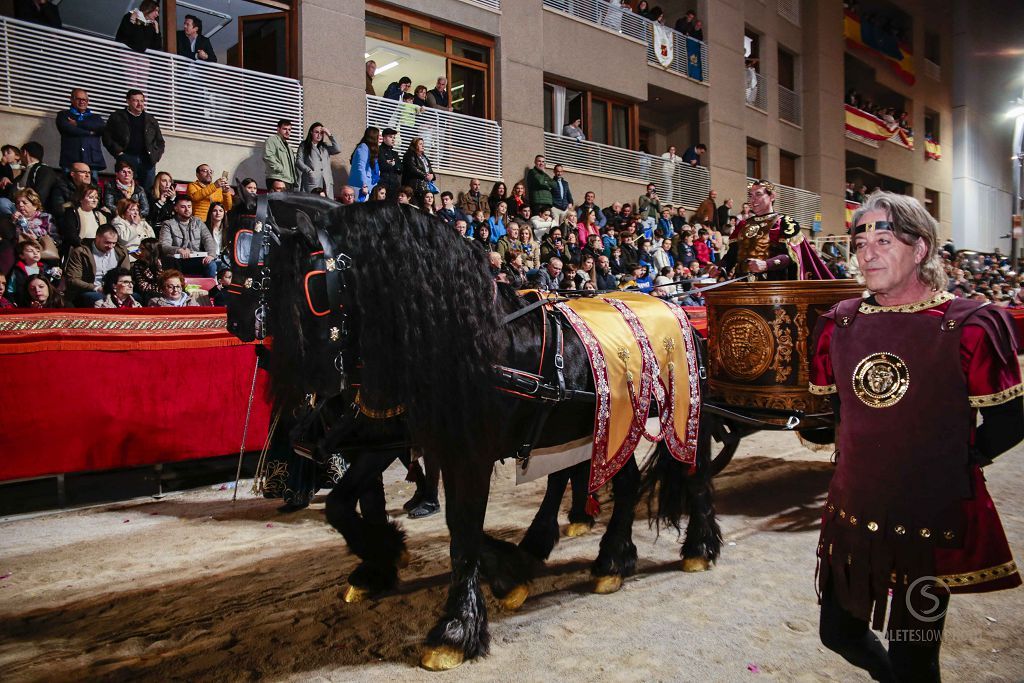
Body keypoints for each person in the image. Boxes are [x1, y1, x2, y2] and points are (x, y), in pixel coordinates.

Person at [810, 191, 1024, 683]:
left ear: (921, 249)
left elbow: (1011, 423)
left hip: (923, 528)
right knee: (838, 634)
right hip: (852, 516)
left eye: (884, 239)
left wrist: (949, 464)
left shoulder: (969, 326)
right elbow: (838, 414)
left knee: (913, 659)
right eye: (860, 241)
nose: (868, 253)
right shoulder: (840, 323)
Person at [718, 180, 833, 280]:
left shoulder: (784, 223)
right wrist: (719, 267)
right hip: (741, 287)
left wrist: (767, 264)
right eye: (751, 195)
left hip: (773, 287)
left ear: (772, 196)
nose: (753, 200)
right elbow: (732, 255)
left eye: (758, 194)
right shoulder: (742, 225)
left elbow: (792, 258)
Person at [102, 89, 165, 189]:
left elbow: (160, 142)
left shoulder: (150, 119)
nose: (139, 104)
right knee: (125, 188)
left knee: (148, 190)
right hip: (126, 158)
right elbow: (107, 136)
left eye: (142, 101)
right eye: (136, 100)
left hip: (147, 161)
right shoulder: (117, 117)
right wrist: (118, 152)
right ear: (128, 101)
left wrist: (155, 156)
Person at [64, 224, 130, 306]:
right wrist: (95, 288)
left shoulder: (121, 251)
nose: (111, 246)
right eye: (107, 242)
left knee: (136, 297)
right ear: (97, 237)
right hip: (89, 291)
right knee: (100, 299)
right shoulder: (81, 252)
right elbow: (72, 279)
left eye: (114, 243)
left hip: (115, 290)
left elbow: (126, 274)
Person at [158, 195, 217, 277]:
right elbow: (163, 246)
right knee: (171, 262)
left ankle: (211, 289)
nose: (187, 210)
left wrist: (211, 255)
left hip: (197, 259)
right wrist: (178, 250)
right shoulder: (168, 224)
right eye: (183, 207)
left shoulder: (198, 222)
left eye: (189, 206)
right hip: (178, 261)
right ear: (176, 208)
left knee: (211, 264)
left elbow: (208, 239)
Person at [55, 89, 105, 179]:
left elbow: (102, 129)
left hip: (91, 161)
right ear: (71, 99)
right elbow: (69, 129)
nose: (82, 102)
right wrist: (90, 132)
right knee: (67, 189)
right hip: (70, 160)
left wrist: (78, 124)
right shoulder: (63, 115)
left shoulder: (96, 118)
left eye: (84, 99)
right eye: (78, 99)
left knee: (92, 190)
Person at [6, 238, 60, 302]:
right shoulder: (18, 271)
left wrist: (57, 277)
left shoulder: (44, 269)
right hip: (24, 302)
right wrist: (13, 301)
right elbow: (10, 290)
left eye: (38, 251)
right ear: (21, 256)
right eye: (30, 251)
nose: (35, 253)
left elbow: (51, 286)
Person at [296, 122, 341, 197]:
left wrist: (329, 134)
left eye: (321, 133)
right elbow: (298, 161)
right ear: (311, 132)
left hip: (326, 181)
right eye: (316, 132)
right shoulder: (304, 145)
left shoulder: (325, 146)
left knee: (327, 205)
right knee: (312, 204)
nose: (319, 135)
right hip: (312, 180)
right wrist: (309, 171)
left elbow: (338, 149)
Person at [14, 142, 59, 215]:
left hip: (32, 210)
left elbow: (41, 196)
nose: (19, 159)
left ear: (25, 152)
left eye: (20, 154)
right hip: (18, 205)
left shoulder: (44, 170)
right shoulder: (25, 171)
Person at [60, 184, 106, 251]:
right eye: (91, 197)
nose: (95, 200)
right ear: (80, 199)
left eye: (96, 197)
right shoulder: (72, 213)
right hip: (80, 250)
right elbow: (72, 237)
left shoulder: (99, 215)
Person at [347, 126, 380, 202]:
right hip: (360, 188)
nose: (380, 138)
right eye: (379, 136)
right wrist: (364, 184)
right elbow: (360, 167)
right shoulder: (363, 147)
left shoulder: (370, 149)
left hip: (368, 187)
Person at [263, 119, 296, 191]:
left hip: (288, 181)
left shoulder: (288, 147)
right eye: (285, 129)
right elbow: (268, 156)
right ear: (278, 129)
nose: (288, 132)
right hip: (278, 179)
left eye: (289, 130)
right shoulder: (272, 140)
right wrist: (280, 169)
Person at [131, 237, 162, 301]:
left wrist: (159, 269)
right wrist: (157, 287)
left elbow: (165, 283)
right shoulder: (138, 264)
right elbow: (142, 286)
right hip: (146, 294)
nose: (139, 251)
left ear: (151, 250)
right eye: (139, 248)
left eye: (142, 249)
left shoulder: (166, 262)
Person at [376, 127, 401, 196]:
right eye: (390, 137)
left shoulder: (395, 153)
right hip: (383, 185)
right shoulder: (378, 151)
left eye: (394, 137)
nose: (393, 139)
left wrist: (393, 164)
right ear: (384, 138)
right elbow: (381, 166)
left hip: (395, 186)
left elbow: (400, 169)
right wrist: (389, 164)